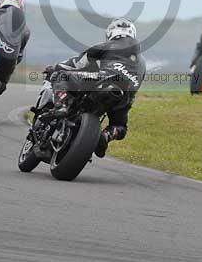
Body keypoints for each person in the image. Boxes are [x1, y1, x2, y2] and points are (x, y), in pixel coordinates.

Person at [43, 17, 146, 158]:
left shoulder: (107, 45)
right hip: (124, 97)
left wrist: (54, 67)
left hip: (103, 80)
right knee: (120, 126)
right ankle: (107, 135)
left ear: (111, 32)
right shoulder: (142, 62)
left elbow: (76, 63)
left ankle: (62, 105)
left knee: (61, 76)